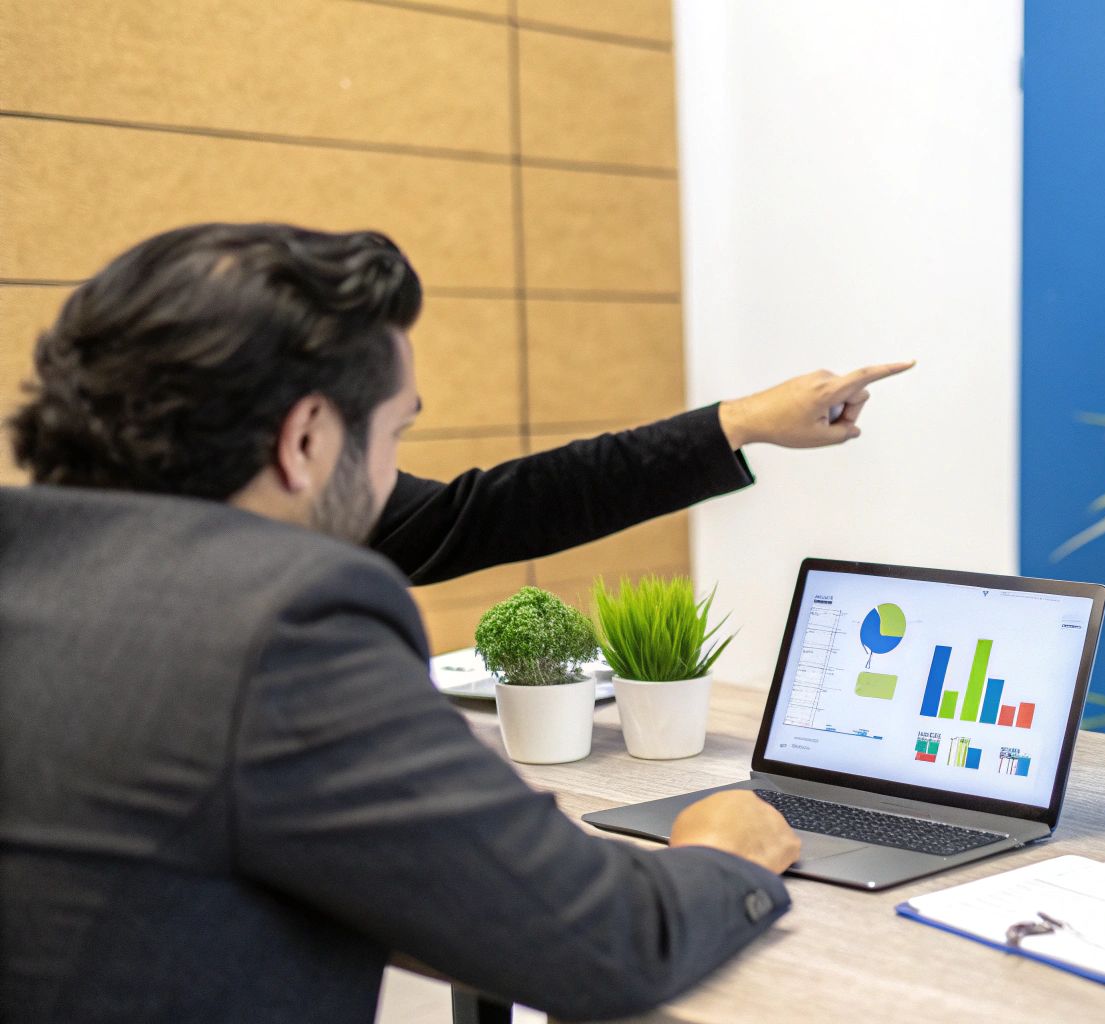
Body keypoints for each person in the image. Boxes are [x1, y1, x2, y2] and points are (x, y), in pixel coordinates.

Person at [0, 223, 904, 1021]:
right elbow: (602, 942)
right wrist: (727, 856)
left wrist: (739, 423)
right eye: (396, 436)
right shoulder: (280, 634)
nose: (395, 474)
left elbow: (498, 507)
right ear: (308, 438)